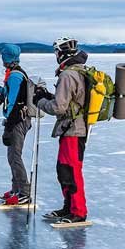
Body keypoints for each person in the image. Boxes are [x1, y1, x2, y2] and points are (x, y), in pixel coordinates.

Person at [35, 37, 89, 223]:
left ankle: (78, 212)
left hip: (73, 129)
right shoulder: (79, 71)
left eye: (56, 52)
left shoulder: (68, 75)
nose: (56, 55)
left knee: (72, 170)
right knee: (64, 170)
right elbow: (69, 101)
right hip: (73, 128)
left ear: (62, 53)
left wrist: (39, 101)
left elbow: (58, 108)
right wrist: (47, 96)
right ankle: (69, 207)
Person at [0, 43, 34, 205]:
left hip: (18, 120)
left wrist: (9, 127)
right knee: (12, 156)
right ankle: (16, 189)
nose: (1, 59)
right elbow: (7, 93)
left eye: (3, 56)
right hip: (16, 119)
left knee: (15, 156)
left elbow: (14, 102)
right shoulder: (13, 74)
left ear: (7, 58)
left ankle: (24, 193)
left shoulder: (15, 76)